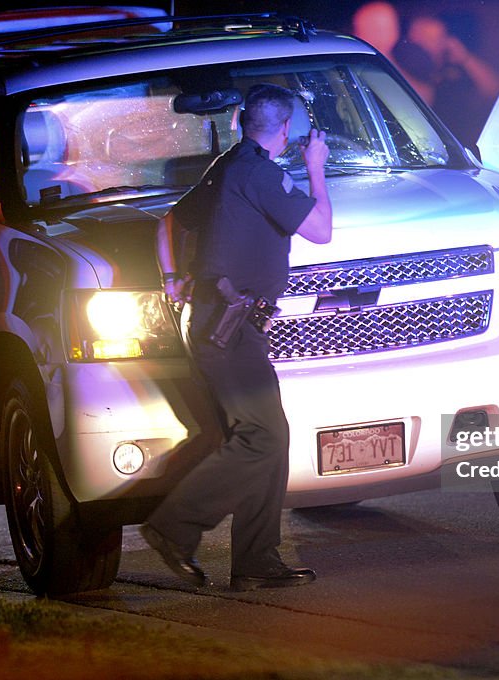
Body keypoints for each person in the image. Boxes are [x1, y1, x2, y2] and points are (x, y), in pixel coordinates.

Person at [141, 83, 332, 591]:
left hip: (219, 324)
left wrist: (171, 279)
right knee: (262, 435)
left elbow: (167, 224)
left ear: (240, 123)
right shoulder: (263, 175)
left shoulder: (226, 167)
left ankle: (256, 557)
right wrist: (316, 165)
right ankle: (172, 528)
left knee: (270, 436)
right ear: (288, 130)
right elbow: (320, 230)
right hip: (228, 329)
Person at [402, 13, 499, 144]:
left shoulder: (452, 72)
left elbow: (494, 91)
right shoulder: (403, 69)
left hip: (462, 143)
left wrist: (465, 58)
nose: (434, 46)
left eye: (438, 39)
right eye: (426, 39)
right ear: (412, 40)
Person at [351, 1, 434, 102]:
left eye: (386, 28)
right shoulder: (347, 63)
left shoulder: (410, 56)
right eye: (375, 28)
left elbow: (425, 99)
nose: (380, 36)